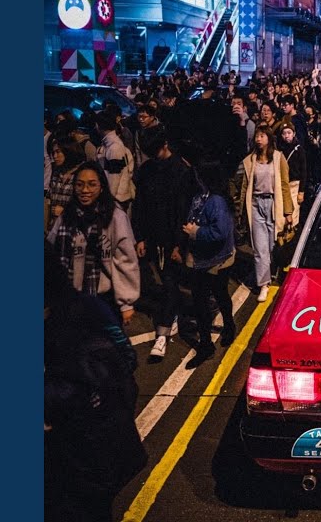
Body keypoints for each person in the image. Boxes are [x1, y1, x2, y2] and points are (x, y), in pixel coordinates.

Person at [44, 243, 147, 522]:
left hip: (84, 450)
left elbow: (122, 363)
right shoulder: (89, 306)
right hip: (102, 443)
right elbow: (127, 358)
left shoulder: (74, 317)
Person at [47, 161, 141, 326]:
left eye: (92, 185)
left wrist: (126, 303)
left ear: (102, 187)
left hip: (103, 300)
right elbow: (50, 252)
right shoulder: (67, 216)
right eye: (79, 185)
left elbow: (125, 261)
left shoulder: (115, 217)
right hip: (69, 299)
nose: (85, 190)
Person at [132, 129, 194, 362]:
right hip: (153, 236)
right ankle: (174, 311)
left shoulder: (181, 170)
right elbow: (140, 205)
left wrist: (179, 244)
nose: (154, 156)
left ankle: (163, 332)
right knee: (167, 280)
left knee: (169, 280)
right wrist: (140, 237)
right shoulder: (147, 170)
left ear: (165, 144)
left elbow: (184, 210)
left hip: (173, 237)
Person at [172, 160, 238, 363]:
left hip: (216, 260)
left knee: (219, 295)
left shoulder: (216, 201)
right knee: (201, 302)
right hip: (201, 259)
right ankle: (207, 344)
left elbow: (221, 231)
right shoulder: (201, 197)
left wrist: (196, 232)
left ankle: (228, 327)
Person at [239, 127, 295, 301]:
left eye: (262, 136)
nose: (258, 139)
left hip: (273, 204)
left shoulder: (278, 158)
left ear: (269, 138)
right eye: (257, 136)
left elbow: (284, 184)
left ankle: (271, 270)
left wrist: (288, 211)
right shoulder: (250, 160)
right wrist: (240, 212)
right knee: (259, 247)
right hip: (255, 204)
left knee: (271, 245)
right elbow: (244, 187)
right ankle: (263, 283)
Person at [94, 113, 136, 213]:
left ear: (98, 126)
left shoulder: (114, 147)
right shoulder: (111, 144)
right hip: (116, 198)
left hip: (117, 200)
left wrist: (107, 201)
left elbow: (114, 177)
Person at [47, 136, 86, 232]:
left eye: (58, 152)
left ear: (68, 151)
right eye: (53, 153)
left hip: (74, 227)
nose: (55, 156)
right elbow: (49, 197)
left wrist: (64, 211)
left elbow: (86, 206)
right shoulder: (56, 173)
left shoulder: (81, 175)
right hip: (54, 228)